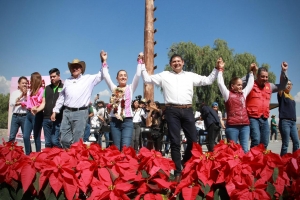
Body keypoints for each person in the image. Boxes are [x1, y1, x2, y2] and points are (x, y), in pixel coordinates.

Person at [141, 55, 223, 181]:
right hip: (171, 110)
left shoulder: (190, 75)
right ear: (170, 64)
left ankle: (184, 163)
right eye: (174, 61)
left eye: (179, 61)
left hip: (187, 109)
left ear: (183, 63)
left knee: (193, 141)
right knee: (175, 141)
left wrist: (216, 69)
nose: (176, 63)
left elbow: (208, 80)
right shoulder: (164, 75)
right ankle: (178, 171)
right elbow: (147, 79)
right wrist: (141, 63)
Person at [51, 58, 103, 148]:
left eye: (77, 67)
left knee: (77, 141)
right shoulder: (67, 81)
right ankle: (70, 156)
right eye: (72, 67)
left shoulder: (88, 79)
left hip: (81, 112)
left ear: (81, 68)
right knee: (64, 139)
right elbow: (61, 97)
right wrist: (55, 110)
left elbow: (102, 75)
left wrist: (103, 62)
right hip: (67, 112)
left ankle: (74, 159)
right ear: (70, 69)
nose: (75, 68)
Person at [101, 51, 143, 151]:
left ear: (127, 78)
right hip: (114, 121)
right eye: (120, 75)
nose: (123, 77)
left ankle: (126, 165)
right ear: (117, 78)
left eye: (125, 75)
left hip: (127, 120)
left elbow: (137, 75)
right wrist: (104, 61)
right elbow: (106, 76)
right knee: (116, 147)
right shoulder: (114, 88)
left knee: (125, 147)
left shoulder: (131, 88)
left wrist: (140, 61)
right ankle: (118, 166)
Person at [245, 62, 288, 148]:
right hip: (253, 118)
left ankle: (262, 160)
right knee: (256, 140)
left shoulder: (270, 86)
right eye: (262, 76)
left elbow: (283, 86)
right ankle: (252, 159)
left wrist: (283, 71)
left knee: (265, 142)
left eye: (266, 77)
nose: (265, 79)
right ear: (257, 76)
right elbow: (241, 81)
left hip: (264, 118)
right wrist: (250, 72)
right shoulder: (250, 84)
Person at [217, 62, 256, 153]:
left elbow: (250, 84)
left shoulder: (244, 94)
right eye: (238, 85)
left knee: (245, 150)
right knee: (233, 150)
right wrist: (220, 70)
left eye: (241, 85)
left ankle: (244, 167)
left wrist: (251, 73)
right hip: (232, 127)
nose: (241, 86)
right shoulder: (227, 94)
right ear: (232, 86)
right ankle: (233, 167)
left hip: (245, 126)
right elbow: (220, 83)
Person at [34, 68, 63, 148]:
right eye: (51, 77)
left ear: (59, 76)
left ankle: (61, 155)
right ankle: (48, 159)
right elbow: (43, 103)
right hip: (46, 119)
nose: (52, 78)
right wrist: (37, 109)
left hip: (58, 119)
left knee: (54, 141)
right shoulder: (47, 88)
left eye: (54, 76)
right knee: (47, 143)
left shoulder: (64, 87)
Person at [23, 72, 44, 155]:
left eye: (31, 80)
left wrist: (36, 107)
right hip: (28, 114)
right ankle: (28, 154)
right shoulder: (30, 91)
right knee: (25, 136)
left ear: (35, 80)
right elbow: (28, 103)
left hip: (37, 115)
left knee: (36, 137)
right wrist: (22, 103)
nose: (30, 82)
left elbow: (41, 102)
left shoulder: (41, 90)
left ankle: (38, 155)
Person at [277, 79, 299, 156]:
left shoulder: (292, 97)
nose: (289, 85)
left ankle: (295, 161)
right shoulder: (282, 94)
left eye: (290, 84)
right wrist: (284, 72)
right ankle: (282, 163)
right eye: (287, 84)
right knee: (285, 144)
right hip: (285, 122)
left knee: (296, 142)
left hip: (293, 123)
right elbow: (280, 86)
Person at [8, 76, 28, 142]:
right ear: (19, 84)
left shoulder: (29, 93)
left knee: (26, 137)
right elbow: (12, 103)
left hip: (25, 116)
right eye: (23, 83)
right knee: (12, 136)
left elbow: (29, 104)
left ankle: (28, 152)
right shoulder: (15, 93)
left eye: (26, 83)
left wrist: (26, 96)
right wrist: (21, 96)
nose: (25, 84)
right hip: (15, 116)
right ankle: (10, 152)